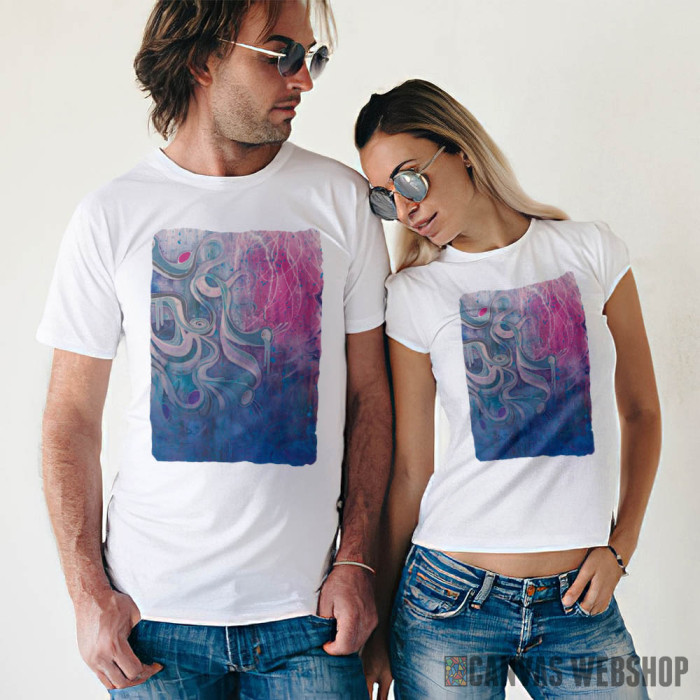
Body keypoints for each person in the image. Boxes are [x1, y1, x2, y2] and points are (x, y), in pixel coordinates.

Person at [37, 1, 391, 697]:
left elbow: (370, 398)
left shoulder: (341, 200)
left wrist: (357, 561)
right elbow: (69, 420)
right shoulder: (111, 215)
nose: (304, 79)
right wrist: (86, 595)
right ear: (203, 60)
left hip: (310, 616)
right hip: (152, 621)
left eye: (313, 58)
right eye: (282, 54)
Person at [355, 79, 661, 699]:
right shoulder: (414, 295)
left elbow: (642, 411)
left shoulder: (590, 250)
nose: (406, 209)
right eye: (386, 198)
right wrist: (379, 624)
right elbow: (411, 470)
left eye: (410, 179)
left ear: (461, 151)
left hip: (579, 601)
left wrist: (621, 547)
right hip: (449, 601)